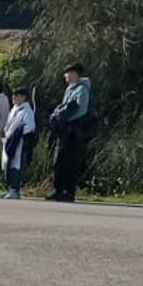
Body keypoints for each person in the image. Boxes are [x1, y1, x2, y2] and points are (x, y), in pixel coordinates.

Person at [48, 63, 92, 203]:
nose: (65, 75)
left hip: (73, 130)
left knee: (70, 161)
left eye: (68, 72)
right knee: (59, 160)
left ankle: (69, 191)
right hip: (64, 129)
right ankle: (59, 189)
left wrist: (66, 119)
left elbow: (81, 110)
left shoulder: (82, 89)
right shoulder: (69, 89)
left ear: (75, 74)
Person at [2, 85, 36, 199]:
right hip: (9, 141)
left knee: (15, 166)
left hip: (18, 143)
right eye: (13, 95)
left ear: (23, 97)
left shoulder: (27, 110)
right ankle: (10, 188)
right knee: (7, 164)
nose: (14, 97)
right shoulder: (14, 109)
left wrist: (17, 133)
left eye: (17, 95)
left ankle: (15, 189)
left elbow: (30, 126)